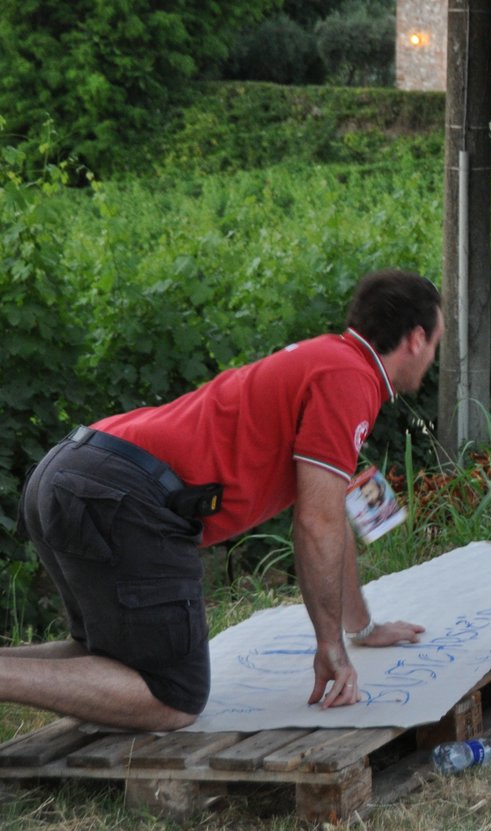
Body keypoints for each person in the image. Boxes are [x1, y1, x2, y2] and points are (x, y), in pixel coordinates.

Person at [3, 270, 441, 731]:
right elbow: (317, 525)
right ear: (415, 338)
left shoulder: (330, 361)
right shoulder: (349, 378)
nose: (434, 356)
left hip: (75, 467)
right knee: (173, 696)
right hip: (123, 491)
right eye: (437, 341)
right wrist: (330, 647)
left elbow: (329, 513)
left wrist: (361, 628)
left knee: (105, 654)